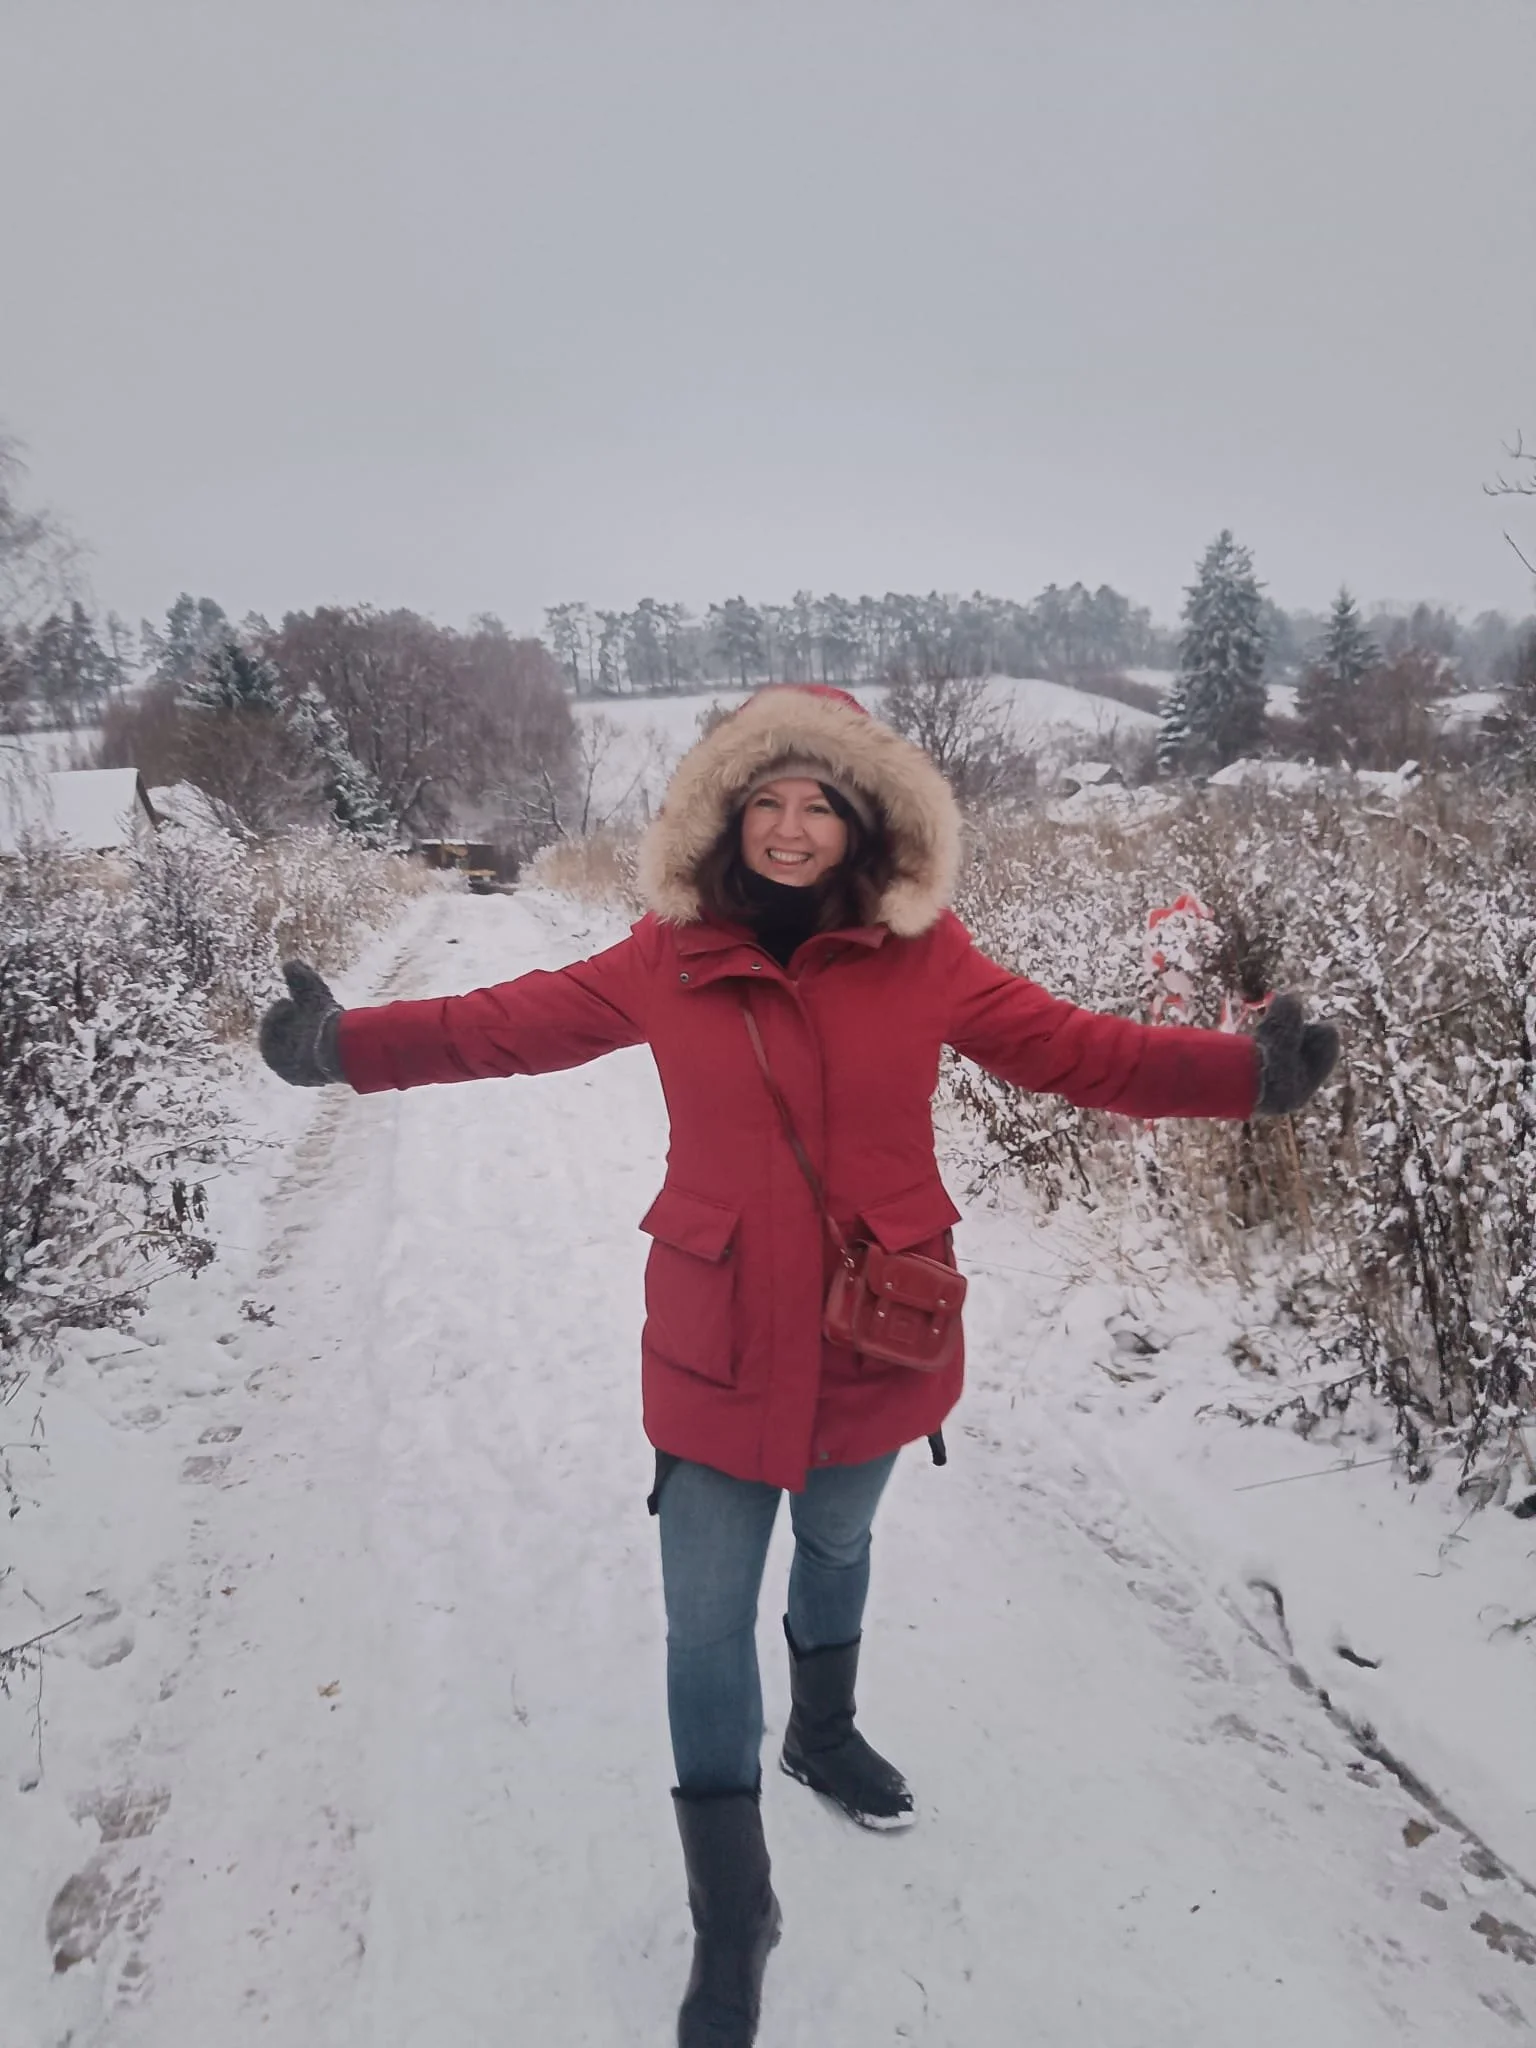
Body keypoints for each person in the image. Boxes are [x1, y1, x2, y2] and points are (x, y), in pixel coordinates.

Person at [259, 684, 1338, 2047]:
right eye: (762, 802)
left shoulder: (928, 955)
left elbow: (1077, 1052)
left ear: (861, 821)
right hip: (716, 1336)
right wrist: (346, 1046)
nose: (786, 827)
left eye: (815, 803)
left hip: (878, 1326)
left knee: (838, 1543)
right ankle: (733, 1915)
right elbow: (504, 1025)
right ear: (723, 817)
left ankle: (822, 1732)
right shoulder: (665, 958)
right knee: (704, 1621)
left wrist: (1245, 1078)